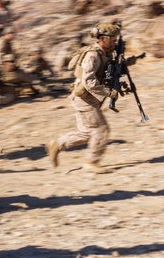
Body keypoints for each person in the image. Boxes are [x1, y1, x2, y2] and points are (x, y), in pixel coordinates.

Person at [45, 22, 135, 173]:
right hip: (85, 99)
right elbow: (89, 82)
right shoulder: (92, 55)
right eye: (113, 39)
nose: (115, 42)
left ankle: (57, 145)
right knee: (101, 129)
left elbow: (107, 71)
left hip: (89, 98)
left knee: (87, 133)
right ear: (103, 38)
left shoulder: (106, 53)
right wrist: (108, 92)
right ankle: (91, 162)